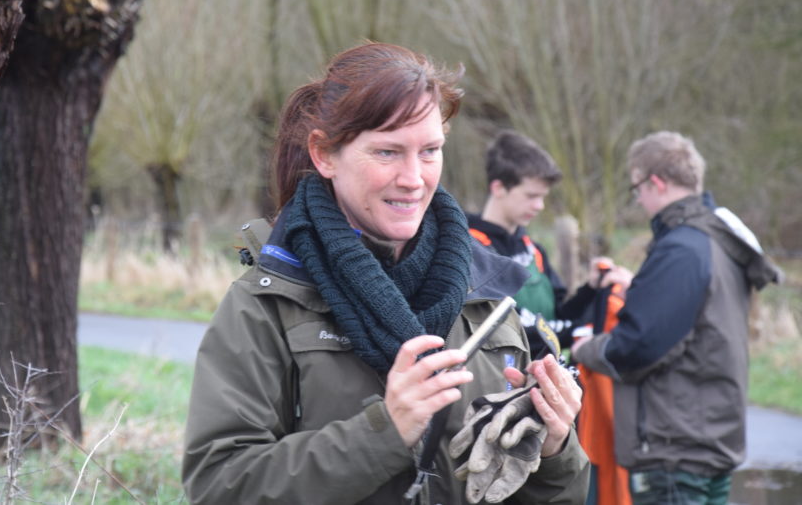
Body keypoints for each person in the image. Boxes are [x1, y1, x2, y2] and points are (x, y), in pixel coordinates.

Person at [182, 43, 589, 504]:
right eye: (388, 152)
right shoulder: (270, 302)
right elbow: (219, 487)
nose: (414, 178)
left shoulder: (487, 293)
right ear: (324, 155)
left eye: (430, 150)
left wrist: (554, 451)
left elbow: (549, 495)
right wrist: (384, 433)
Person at [572, 131, 783, 505]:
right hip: (709, 439)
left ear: (655, 182)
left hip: (674, 449)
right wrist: (639, 285)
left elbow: (640, 347)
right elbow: (695, 315)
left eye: (636, 189)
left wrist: (587, 349)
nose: (638, 200)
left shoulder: (680, 250)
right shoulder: (713, 240)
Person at [466, 130, 624, 357]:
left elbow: (558, 316)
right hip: (503, 381)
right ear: (498, 188)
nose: (540, 206)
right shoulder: (472, 250)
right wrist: (581, 331)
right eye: (531, 196)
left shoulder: (534, 251)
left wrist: (591, 290)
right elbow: (510, 322)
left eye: (543, 197)